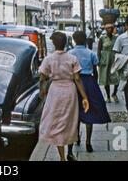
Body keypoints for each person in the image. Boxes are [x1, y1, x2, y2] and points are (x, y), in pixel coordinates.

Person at [38, 31, 90, 162]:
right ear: (66, 43)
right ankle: (70, 152)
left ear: (54, 44)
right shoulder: (72, 58)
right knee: (70, 121)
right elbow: (77, 79)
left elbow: (42, 78)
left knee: (57, 122)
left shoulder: (48, 59)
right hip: (70, 91)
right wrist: (84, 97)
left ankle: (62, 157)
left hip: (55, 92)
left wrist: (42, 91)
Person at [67, 31, 111, 159]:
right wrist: (95, 84)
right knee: (89, 111)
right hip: (89, 82)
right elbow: (95, 70)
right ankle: (88, 142)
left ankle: (73, 143)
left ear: (74, 40)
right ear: (85, 40)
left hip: (75, 83)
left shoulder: (70, 54)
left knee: (74, 113)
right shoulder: (90, 53)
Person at [98, 24, 120, 103]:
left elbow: (119, 48)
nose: (110, 29)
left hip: (114, 59)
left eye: (111, 28)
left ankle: (114, 93)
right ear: (105, 29)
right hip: (105, 59)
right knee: (105, 78)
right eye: (108, 28)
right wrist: (99, 60)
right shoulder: (102, 38)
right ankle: (107, 96)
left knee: (117, 77)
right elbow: (99, 50)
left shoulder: (116, 38)